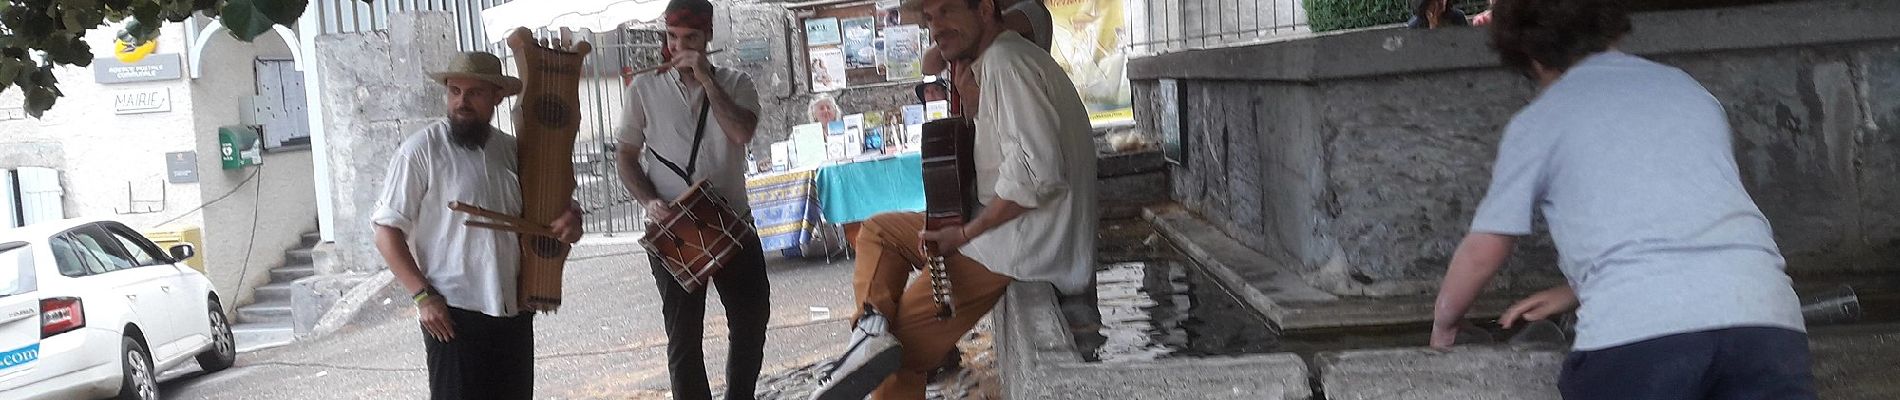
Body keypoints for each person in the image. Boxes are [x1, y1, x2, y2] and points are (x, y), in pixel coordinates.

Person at [1428, 0, 1815, 399]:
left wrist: (1445, 324)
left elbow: (1483, 251)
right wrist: (1577, 289)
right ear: (1613, 27)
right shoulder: (1686, 90)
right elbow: (1684, 221)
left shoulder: (1540, 120)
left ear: (1529, 56)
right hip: (1766, 320)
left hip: (1639, 337)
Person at [806, 0, 1097, 397]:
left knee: (897, 354)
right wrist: (973, 106)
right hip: (1001, 229)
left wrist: (964, 233)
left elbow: (1037, 175)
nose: (937, 26)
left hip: (1019, 245)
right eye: (930, 17)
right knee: (878, 231)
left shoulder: (1006, 63)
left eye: (947, 10)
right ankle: (869, 328)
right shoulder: (996, 62)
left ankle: (877, 344)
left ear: (984, 10)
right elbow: (1007, 155)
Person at [371, 50, 585, 400]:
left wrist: (570, 219)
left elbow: (550, 215)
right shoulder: (421, 151)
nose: (462, 102)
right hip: (452, 316)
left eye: (475, 93)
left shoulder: (513, 151)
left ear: (498, 97)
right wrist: (424, 297)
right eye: (454, 91)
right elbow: (385, 232)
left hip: (513, 309)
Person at [613, 0, 772, 399]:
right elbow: (626, 156)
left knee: (751, 322)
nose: (677, 47)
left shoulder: (736, 83)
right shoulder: (643, 89)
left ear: (707, 38)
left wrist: (707, 81)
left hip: (732, 222)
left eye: (689, 39)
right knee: (683, 338)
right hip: (672, 227)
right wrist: (648, 202)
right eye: (672, 37)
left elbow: (740, 133)